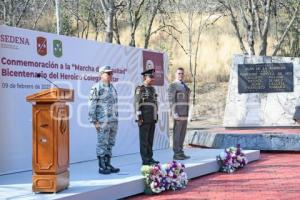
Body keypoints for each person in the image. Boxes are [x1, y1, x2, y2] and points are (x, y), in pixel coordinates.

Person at [88, 65, 120, 174]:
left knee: (110, 143)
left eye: (111, 73)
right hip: (102, 121)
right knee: (102, 143)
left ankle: (107, 163)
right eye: (108, 73)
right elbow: (92, 105)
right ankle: (101, 166)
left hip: (113, 121)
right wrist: (94, 121)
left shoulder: (112, 87)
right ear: (101, 75)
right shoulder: (97, 87)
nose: (111, 75)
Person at [134, 68, 160, 165]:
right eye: (151, 77)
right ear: (145, 77)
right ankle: (145, 160)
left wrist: (156, 115)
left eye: (153, 77)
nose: (152, 79)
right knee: (144, 141)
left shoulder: (152, 89)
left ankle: (150, 157)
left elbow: (155, 103)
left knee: (150, 140)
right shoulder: (140, 89)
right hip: (144, 119)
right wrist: (139, 118)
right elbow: (137, 104)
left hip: (152, 118)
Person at [168, 67, 191, 160]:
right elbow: (171, 100)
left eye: (182, 73)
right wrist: (174, 113)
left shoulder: (184, 85)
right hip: (178, 113)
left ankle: (181, 151)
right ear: (175, 74)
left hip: (185, 113)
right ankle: (176, 153)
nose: (181, 75)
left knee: (182, 133)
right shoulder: (173, 85)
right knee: (177, 133)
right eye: (179, 73)